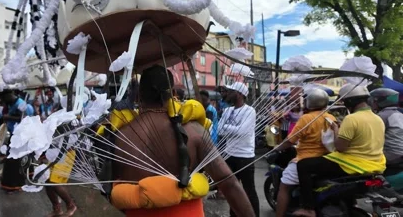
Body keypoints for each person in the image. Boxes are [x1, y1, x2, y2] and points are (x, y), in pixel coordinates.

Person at [112, 65, 254, 217]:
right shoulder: (194, 130)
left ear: (139, 96)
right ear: (173, 94)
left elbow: (111, 190)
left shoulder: (120, 135)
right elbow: (229, 182)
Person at [293, 84, 386, 217]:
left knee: (303, 165)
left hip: (353, 164)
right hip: (376, 163)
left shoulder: (351, 119)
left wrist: (336, 131)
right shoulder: (378, 119)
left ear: (349, 102)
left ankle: (308, 208)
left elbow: (340, 147)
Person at [274, 89, 334, 217]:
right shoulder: (330, 117)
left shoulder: (306, 119)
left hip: (304, 159)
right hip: (326, 159)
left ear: (309, 103)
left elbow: (290, 140)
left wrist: (277, 148)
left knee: (284, 186)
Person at [218, 82, 259, 216]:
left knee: (249, 190)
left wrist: (227, 128)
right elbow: (219, 129)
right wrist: (232, 129)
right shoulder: (227, 110)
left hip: (245, 157)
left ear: (239, 94)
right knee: (231, 190)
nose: (228, 94)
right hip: (229, 154)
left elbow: (242, 132)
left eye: (231, 91)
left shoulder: (249, 111)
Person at [0, 89, 28, 192]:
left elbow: (24, 118)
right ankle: (10, 182)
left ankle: (16, 183)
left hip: (20, 136)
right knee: (11, 159)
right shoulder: (11, 103)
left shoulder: (20, 104)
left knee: (15, 160)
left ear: (10, 94)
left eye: (4, 97)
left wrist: (8, 117)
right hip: (14, 134)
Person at [369, 88, 403, 166]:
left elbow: (372, 137)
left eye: (374, 101)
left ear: (379, 102)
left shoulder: (381, 116)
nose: (372, 103)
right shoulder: (400, 114)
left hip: (391, 156)